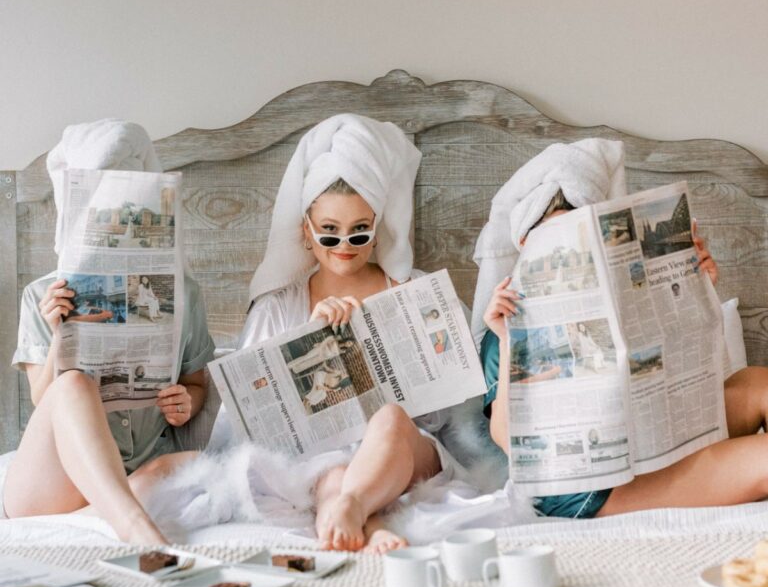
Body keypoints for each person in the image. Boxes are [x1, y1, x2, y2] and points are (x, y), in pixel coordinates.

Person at [207, 113, 465, 553]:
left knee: (391, 422)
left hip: (403, 449)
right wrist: (311, 342)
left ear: (377, 225)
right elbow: (245, 425)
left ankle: (351, 505)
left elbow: (446, 418)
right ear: (306, 231)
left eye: (359, 232)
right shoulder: (277, 308)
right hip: (317, 460)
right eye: (329, 233)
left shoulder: (412, 292)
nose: (344, 246)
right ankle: (360, 514)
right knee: (331, 471)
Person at [475, 137, 768, 519]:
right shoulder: (505, 322)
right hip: (589, 486)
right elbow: (509, 444)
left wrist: (697, 290)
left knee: (757, 381)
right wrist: (509, 341)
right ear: (527, 247)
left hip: (655, 440)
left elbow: (693, 381)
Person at [3, 121, 216, 544]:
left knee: (216, 464)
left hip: (142, 466)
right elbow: (44, 401)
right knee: (73, 385)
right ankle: (136, 527)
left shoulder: (182, 293)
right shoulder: (40, 295)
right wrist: (59, 334)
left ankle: (97, 512)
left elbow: (196, 385)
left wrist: (185, 403)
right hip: (52, 482)